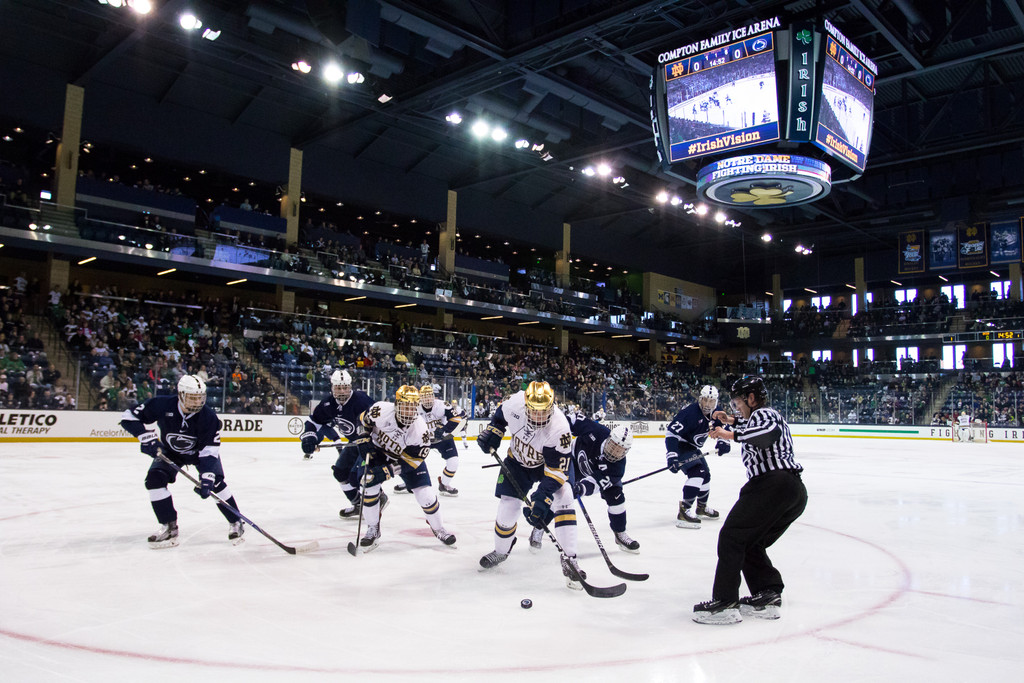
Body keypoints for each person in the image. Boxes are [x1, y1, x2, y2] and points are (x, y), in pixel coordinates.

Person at [695, 376, 807, 625]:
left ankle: (724, 603)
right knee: (749, 543)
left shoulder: (765, 414)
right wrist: (731, 421)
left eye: (737, 403)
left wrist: (727, 433)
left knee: (732, 536)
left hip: (772, 485)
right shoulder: (756, 417)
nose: (736, 408)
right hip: (790, 491)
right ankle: (767, 593)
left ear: (752, 398)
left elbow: (765, 434)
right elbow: (751, 425)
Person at [477, 381, 586, 590]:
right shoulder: (514, 403)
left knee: (565, 496)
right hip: (517, 462)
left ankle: (570, 560)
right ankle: (501, 551)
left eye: (543, 411)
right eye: (534, 411)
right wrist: (495, 430)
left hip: (548, 466)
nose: (538, 417)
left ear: (552, 406)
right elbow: (500, 416)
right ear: (525, 404)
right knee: (508, 508)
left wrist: (541, 498)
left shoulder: (560, 429)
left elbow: (556, 472)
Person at [119, 375, 245, 548]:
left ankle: (235, 520)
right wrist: (145, 436)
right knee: (154, 480)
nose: (197, 402)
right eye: (193, 397)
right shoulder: (162, 404)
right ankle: (169, 526)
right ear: (181, 394)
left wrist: (207, 476)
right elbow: (128, 417)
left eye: (200, 397)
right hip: (171, 452)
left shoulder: (208, 417)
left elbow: (209, 450)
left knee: (215, 483)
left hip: (200, 454)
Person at [355, 385, 456, 551]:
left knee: (426, 495)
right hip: (377, 452)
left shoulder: (420, 430)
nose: (409, 412)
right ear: (396, 404)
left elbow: (414, 461)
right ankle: (373, 528)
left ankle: (438, 528)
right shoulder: (380, 409)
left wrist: (388, 471)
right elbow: (362, 421)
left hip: (405, 458)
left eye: (412, 408)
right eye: (405, 407)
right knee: (368, 485)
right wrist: (364, 437)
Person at [300, 369, 375, 518]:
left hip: (370, 442)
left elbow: (380, 419)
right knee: (340, 472)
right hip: (354, 442)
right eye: (338, 387)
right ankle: (358, 504)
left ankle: (376, 500)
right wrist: (309, 437)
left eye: (345, 387)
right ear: (332, 387)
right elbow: (314, 422)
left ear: (350, 386)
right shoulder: (328, 404)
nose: (342, 391)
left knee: (358, 476)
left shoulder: (361, 400)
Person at [567, 419, 638, 553]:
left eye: (619, 450)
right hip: (573, 460)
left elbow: (595, 483)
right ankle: (540, 527)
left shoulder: (617, 468)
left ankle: (620, 533)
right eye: (613, 446)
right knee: (560, 494)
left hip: (597, 473)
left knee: (617, 497)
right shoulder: (596, 431)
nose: (614, 452)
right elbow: (571, 420)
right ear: (609, 438)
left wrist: (581, 488)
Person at [665, 385, 730, 529]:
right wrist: (672, 456)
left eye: (711, 401)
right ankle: (684, 511)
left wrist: (723, 441)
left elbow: (723, 428)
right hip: (681, 446)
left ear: (716, 401)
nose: (708, 404)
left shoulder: (717, 411)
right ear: (700, 399)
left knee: (706, 476)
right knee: (697, 472)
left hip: (693, 448)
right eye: (705, 400)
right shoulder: (689, 413)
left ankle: (701, 507)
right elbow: (671, 434)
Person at [409, 383, 466, 496]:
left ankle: (444, 484)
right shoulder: (415, 407)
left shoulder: (442, 405)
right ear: (420, 397)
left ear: (433, 396)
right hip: (423, 439)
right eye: (424, 396)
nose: (427, 399)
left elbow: (456, 418)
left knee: (453, 462)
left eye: (429, 395)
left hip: (443, 438)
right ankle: (408, 482)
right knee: (410, 461)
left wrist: (444, 429)